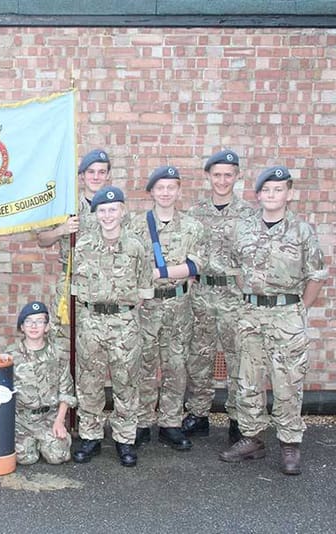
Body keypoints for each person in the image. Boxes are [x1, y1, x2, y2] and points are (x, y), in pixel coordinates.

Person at [219, 165, 326, 475]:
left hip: (286, 315)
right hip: (251, 314)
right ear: (258, 195)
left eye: (278, 190)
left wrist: (299, 308)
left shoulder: (301, 230)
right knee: (248, 379)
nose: (272, 195)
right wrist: (247, 296)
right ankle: (251, 438)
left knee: (287, 381)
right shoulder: (244, 228)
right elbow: (233, 268)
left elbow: (316, 275)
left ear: (288, 194)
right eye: (266, 190)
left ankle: (290, 444)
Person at [71, 187, 153, 467]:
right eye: (102, 210)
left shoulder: (136, 246)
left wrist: (124, 313)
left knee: (126, 383)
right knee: (89, 382)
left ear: (122, 211)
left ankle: (125, 439)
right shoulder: (82, 246)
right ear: (95, 214)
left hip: (124, 323)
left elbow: (144, 290)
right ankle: (90, 436)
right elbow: (76, 290)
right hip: (91, 321)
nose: (107, 215)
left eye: (113, 209)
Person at [130, 166, 206, 451]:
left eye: (171, 187)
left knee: (176, 366)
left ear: (179, 191)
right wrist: (175, 270)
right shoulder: (136, 225)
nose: (165, 193)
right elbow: (130, 263)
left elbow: (196, 265)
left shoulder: (192, 227)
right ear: (151, 191)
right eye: (160, 187)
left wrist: (157, 271)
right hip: (146, 305)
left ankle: (171, 424)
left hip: (179, 305)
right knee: (145, 366)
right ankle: (141, 422)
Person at [183, 150, 255, 444]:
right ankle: (199, 414)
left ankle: (237, 419)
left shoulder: (250, 214)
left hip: (234, 296)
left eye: (228, 174)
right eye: (217, 174)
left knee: (238, 358)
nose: (222, 180)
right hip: (201, 293)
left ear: (237, 176)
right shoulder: (194, 213)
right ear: (208, 176)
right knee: (199, 356)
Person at [37, 149, 112, 339]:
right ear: (81, 176)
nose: (96, 177)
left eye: (101, 172)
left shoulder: (114, 207)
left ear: (108, 176)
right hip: (72, 282)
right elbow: (42, 239)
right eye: (91, 172)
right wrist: (61, 230)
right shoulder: (67, 205)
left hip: (105, 286)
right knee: (63, 341)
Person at [3, 301, 76, 465]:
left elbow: (66, 391)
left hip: (49, 418)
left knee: (58, 456)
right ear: (22, 327)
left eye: (39, 321)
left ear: (47, 326)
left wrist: (59, 421)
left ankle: (49, 441)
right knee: (25, 459)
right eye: (28, 321)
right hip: (21, 420)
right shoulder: (10, 354)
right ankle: (32, 444)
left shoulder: (57, 354)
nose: (34, 326)